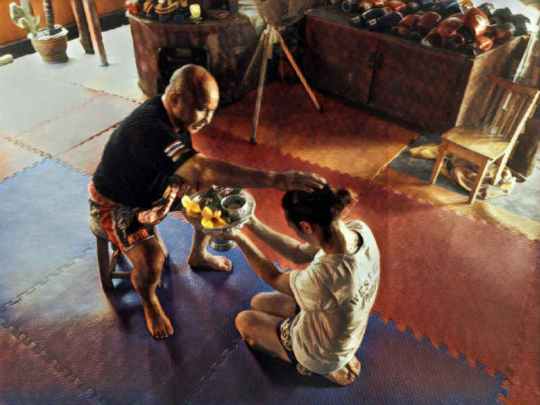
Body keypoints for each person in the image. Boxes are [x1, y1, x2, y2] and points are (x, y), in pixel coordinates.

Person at [88, 64, 326, 340]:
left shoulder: (175, 118)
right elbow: (201, 168)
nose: (208, 119)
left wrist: (201, 185)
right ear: (175, 98)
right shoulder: (148, 129)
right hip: (118, 202)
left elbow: (193, 169)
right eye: (202, 109)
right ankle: (150, 301)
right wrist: (277, 179)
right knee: (153, 261)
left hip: (156, 187)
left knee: (210, 199)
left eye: (212, 110)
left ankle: (198, 255)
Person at [221, 185, 380, 385]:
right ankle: (338, 356)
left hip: (319, 352)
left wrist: (238, 237)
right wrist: (250, 221)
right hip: (345, 329)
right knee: (259, 301)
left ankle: (320, 365)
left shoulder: (324, 276)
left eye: (295, 229)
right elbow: (298, 253)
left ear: (306, 227)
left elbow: (273, 277)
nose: (297, 234)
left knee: (244, 321)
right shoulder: (358, 230)